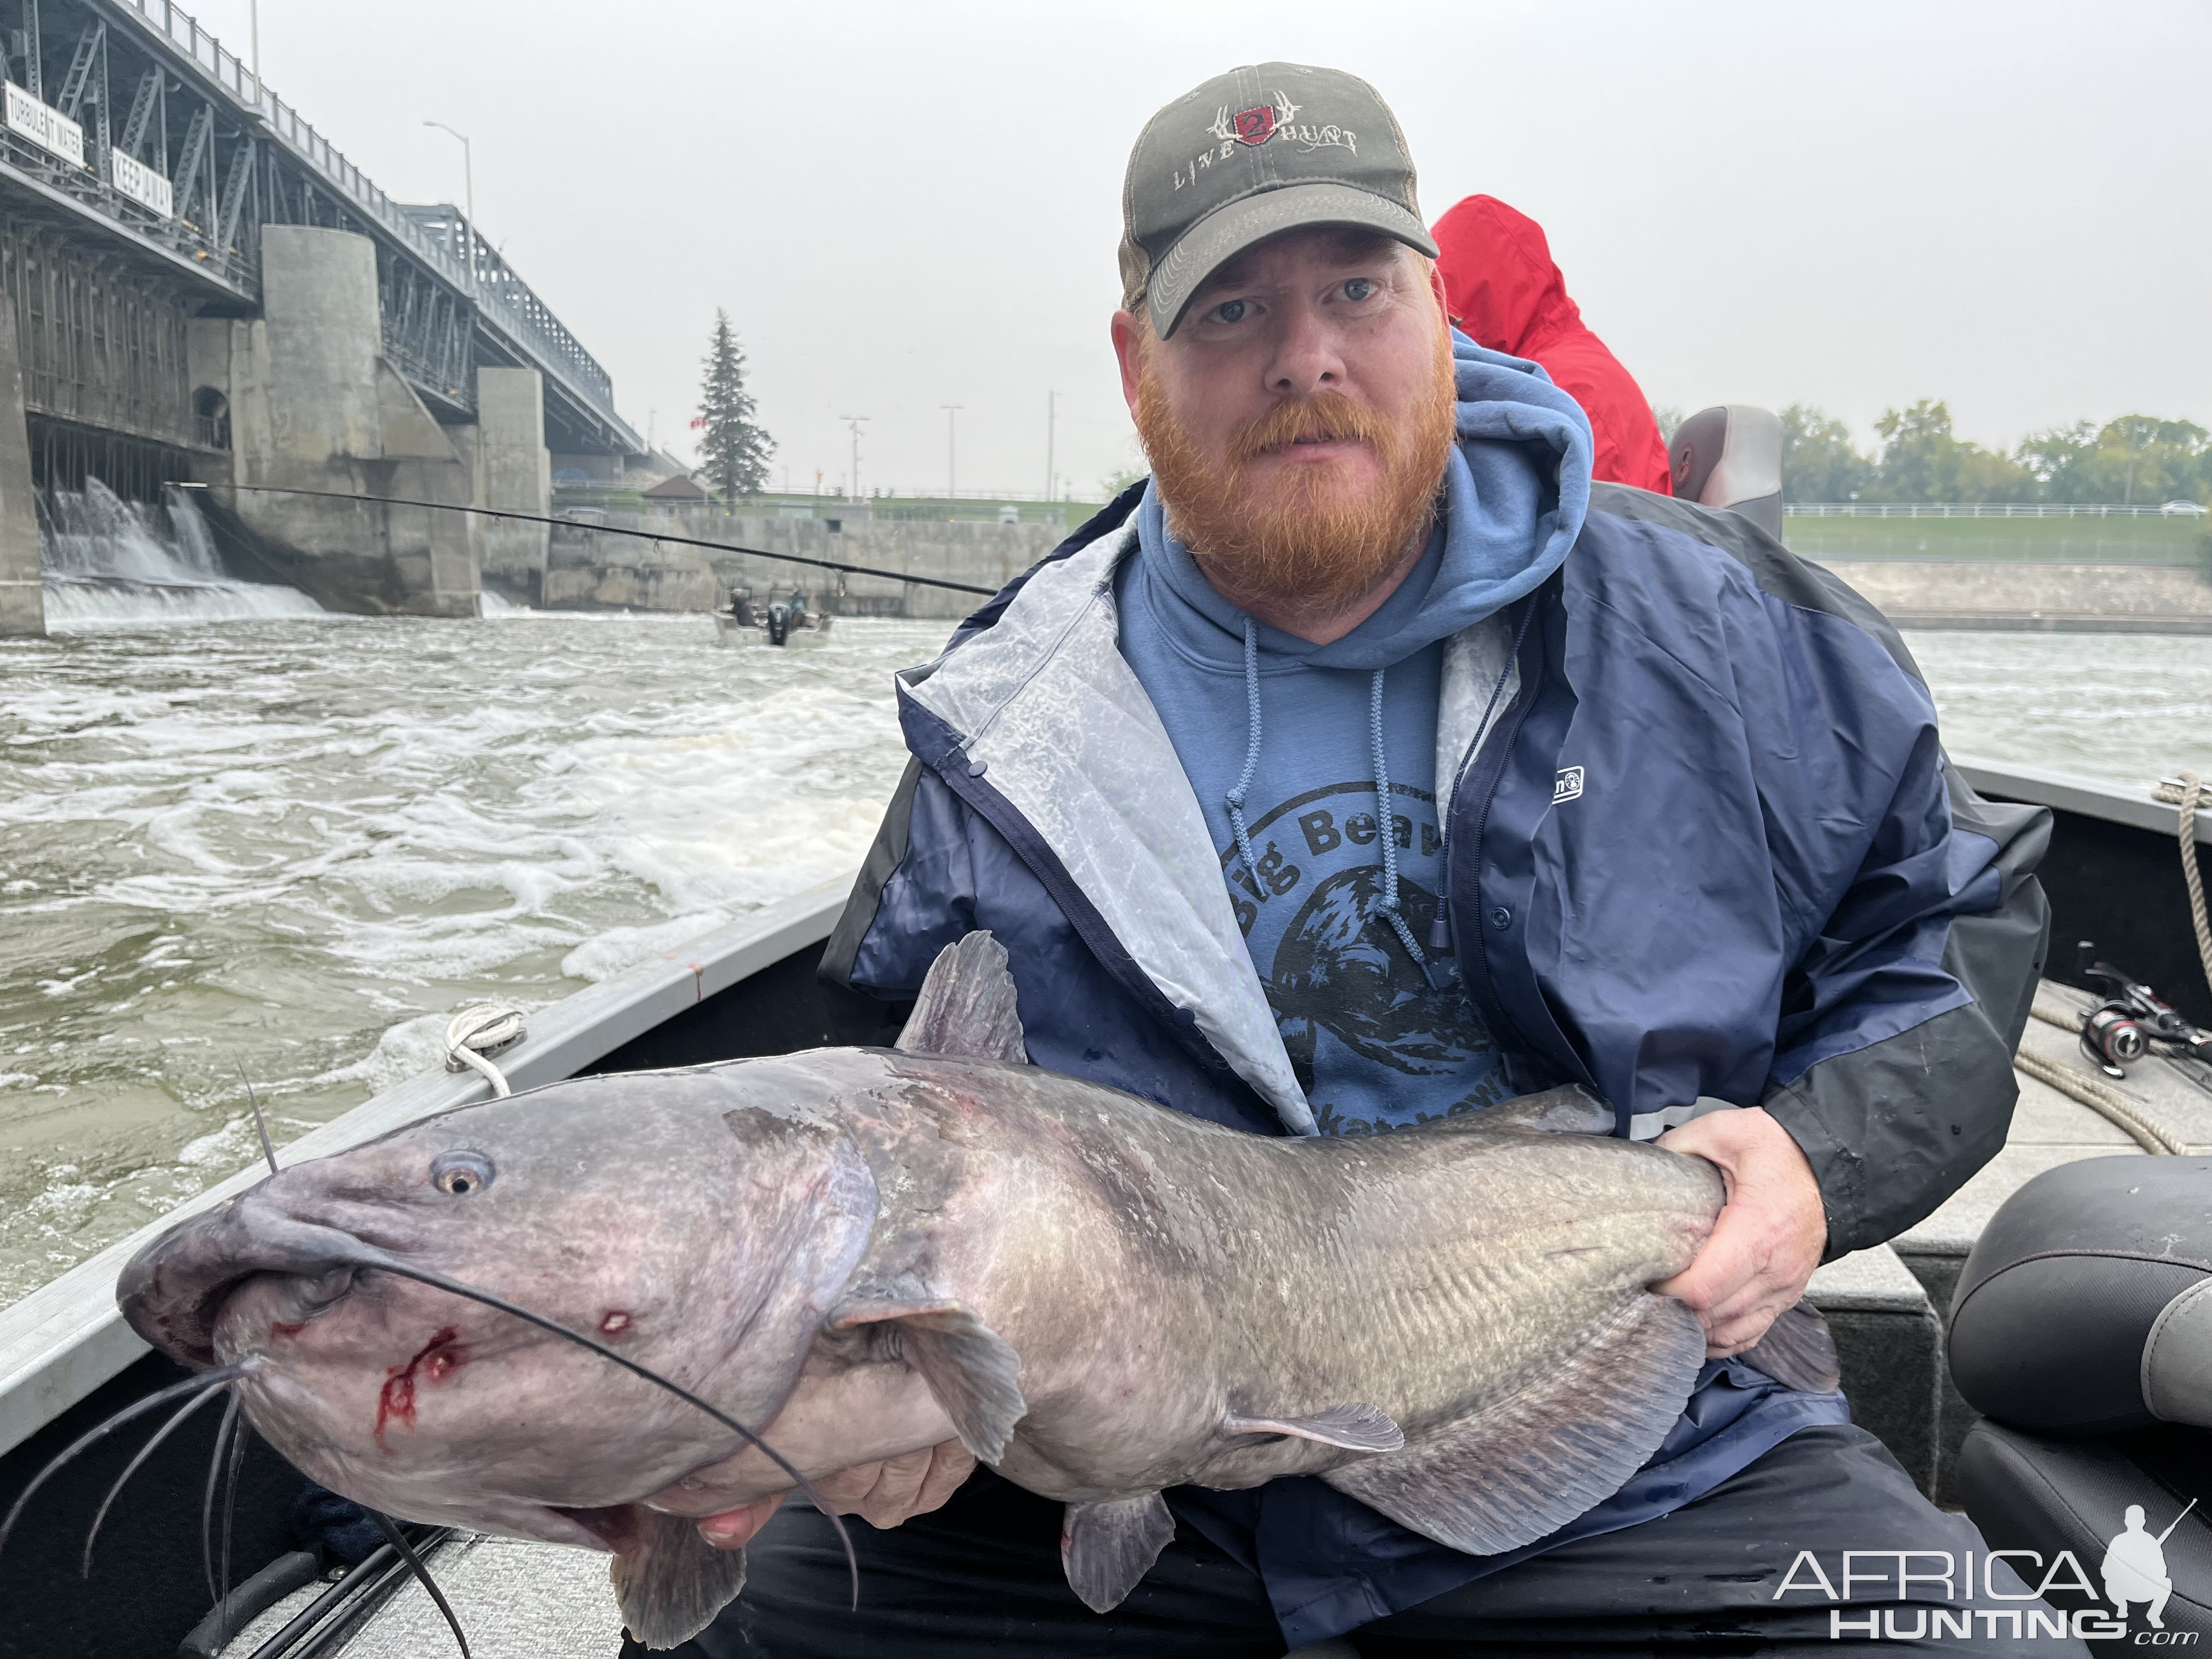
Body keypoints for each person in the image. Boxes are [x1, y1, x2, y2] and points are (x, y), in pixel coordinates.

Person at [670, 63, 2065, 1657]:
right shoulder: (1006, 741)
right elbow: (879, 1102)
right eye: (1231, 315)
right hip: (1129, 1492)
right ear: (1137, 364)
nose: (1306, 358)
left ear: (1437, 310)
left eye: (1353, 289)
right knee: (727, 1627)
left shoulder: (1728, 628)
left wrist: (1822, 1159)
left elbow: (1953, 916)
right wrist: (882, 1378)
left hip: (1643, 1445)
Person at [1429, 193, 1674, 495]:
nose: (1444, 340)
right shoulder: (1548, 368)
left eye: (1451, 320)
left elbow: (1587, 533)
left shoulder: (1570, 391)